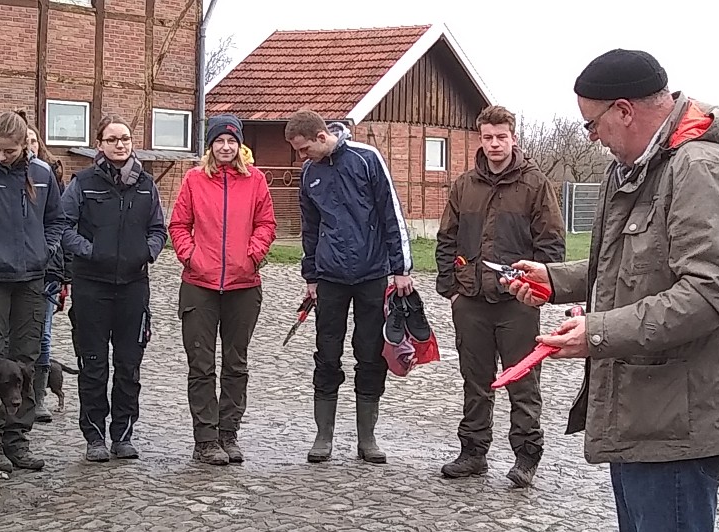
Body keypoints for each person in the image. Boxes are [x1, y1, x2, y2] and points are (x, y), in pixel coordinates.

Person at [503, 49, 719, 532]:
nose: (591, 137)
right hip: (646, 410)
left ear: (623, 110)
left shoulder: (701, 169)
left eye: (592, 124)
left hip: (681, 418)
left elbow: (711, 292)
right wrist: (554, 279)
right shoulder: (637, 167)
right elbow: (630, 263)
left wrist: (597, 332)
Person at [435, 105, 565, 486]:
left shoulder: (535, 185)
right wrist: (452, 290)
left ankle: (526, 456)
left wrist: (538, 289)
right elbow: (446, 238)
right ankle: (473, 452)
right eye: (488, 137)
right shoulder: (464, 186)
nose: (494, 144)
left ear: (513, 138)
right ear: (481, 139)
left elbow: (551, 243)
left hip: (517, 303)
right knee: (475, 380)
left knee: (522, 381)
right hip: (471, 299)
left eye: (501, 137)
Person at [285, 109, 414, 464]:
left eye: (304, 149)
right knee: (326, 354)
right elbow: (310, 228)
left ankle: (367, 438)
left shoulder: (366, 159)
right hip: (330, 277)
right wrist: (310, 276)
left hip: (372, 273)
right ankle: (323, 436)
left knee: (370, 353)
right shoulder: (309, 173)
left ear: (321, 136)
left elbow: (391, 213)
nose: (302, 156)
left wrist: (401, 268)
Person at [169, 114, 277, 465]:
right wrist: (191, 256)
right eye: (219, 141)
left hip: (243, 285)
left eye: (232, 141)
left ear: (240, 145)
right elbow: (179, 224)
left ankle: (228, 433)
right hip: (199, 284)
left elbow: (266, 223)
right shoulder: (194, 179)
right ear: (210, 145)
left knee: (236, 363)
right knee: (201, 364)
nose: (226, 147)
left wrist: (253, 255)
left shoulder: (255, 180)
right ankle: (205, 438)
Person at [61, 114, 167, 462]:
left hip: (133, 287)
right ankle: (94, 436)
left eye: (125, 139)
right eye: (112, 139)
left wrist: (146, 252)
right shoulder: (83, 183)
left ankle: (122, 434)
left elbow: (159, 229)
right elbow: (63, 227)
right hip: (91, 286)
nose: (120, 145)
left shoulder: (146, 185)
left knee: (128, 365)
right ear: (100, 145)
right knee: (93, 365)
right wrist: (91, 252)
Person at [0, 110, 66, 471]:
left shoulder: (41, 173)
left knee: (26, 361)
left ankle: (17, 440)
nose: (2, 156)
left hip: (31, 280)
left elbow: (56, 219)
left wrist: (46, 249)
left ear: (24, 145)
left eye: (9, 150)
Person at [22, 114, 70, 423]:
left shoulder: (51, 178)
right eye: (24, 141)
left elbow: (60, 225)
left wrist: (63, 273)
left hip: (48, 270)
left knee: (43, 335)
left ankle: (38, 397)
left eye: (33, 141)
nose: (29, 146)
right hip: (14, 271)